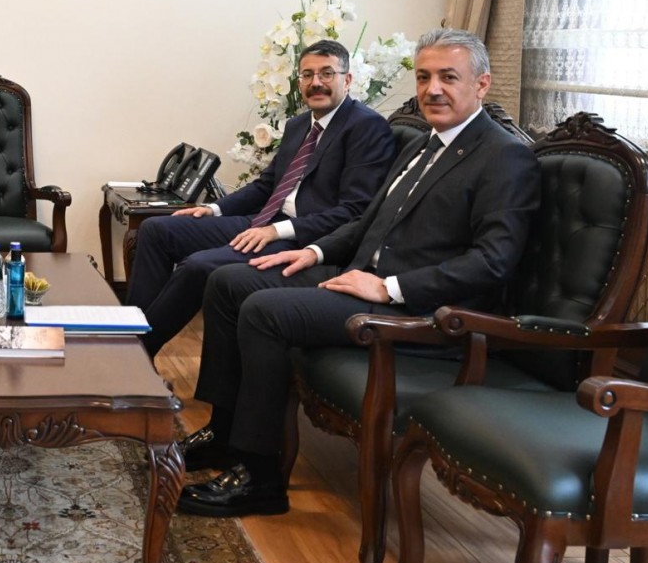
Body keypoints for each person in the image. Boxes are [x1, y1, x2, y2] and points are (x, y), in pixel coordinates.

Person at [177, 28, 540, 518]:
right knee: (227, 282)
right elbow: (367, 221)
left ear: (482, 84)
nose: (433, 89)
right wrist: (313, 251)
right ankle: (224, 432)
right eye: (424, 77)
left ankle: (259, 477)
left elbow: (493, 261)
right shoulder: (423, 144)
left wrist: (390, 287)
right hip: (360, 278)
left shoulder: (504, 156)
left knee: (263, 311)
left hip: (422, 311)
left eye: (448, 77)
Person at [127, 39, 395, 358]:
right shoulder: (298, 125)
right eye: (307, 75)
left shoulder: (366, 127)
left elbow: (354, 211)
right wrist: (213, 209)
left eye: (327, 73)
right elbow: (267, 185)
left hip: (304, 238)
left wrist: (275, 231)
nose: (316, 82)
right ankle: (128, 331)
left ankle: (136, 352)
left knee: (199, 266)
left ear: (347, 79)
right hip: (265, 222)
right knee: (157, 230)